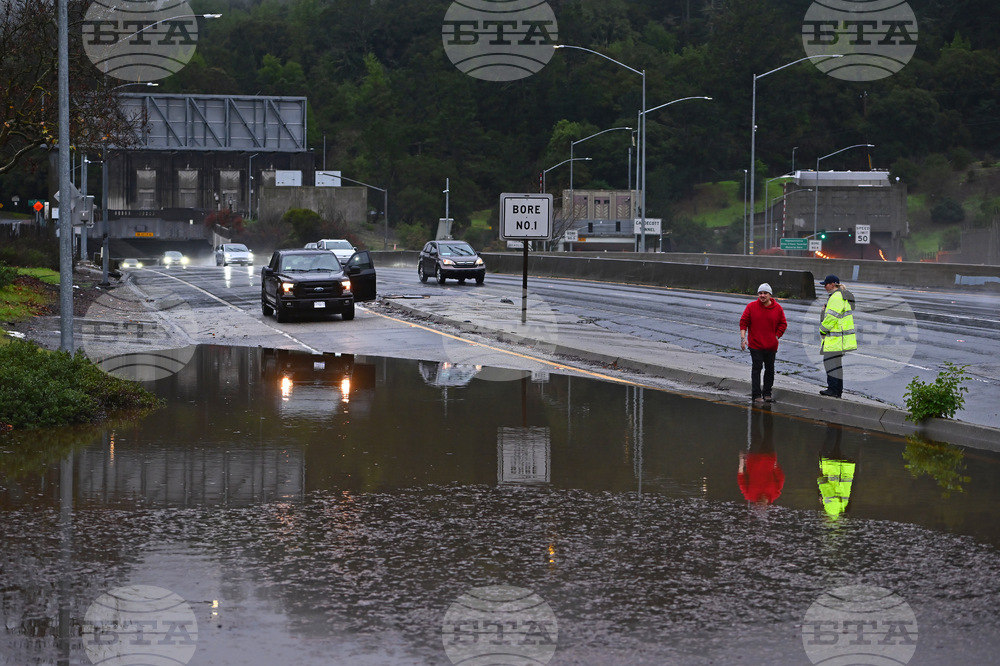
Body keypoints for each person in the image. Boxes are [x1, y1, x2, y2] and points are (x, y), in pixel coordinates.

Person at [739, 282, 787, 404]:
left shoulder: (778, 308)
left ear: (770, 295)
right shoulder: (751, 306)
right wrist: (743, 338)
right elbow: (743, 322)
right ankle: (756, 394)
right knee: (757, 368)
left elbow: (783, 324)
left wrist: (776, 336)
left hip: (771, 345)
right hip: (755, 345)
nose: (762, 295)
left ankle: (767, 393)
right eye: (760, 293)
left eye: (765, 293)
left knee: (770, 370)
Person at [819, 275, 857, 398]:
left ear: (832, 284)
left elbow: (831, 317)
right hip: (839, 339)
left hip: (834, 339)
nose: (824, 286)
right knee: (836, 365)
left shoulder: (836, 297)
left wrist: (822, 330)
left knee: (830, 364)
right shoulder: (842, 295)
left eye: (826, 284)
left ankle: (833, 390)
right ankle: (837, 391)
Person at [738, 409, 784, 505]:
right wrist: (775, 465)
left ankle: (756, 410)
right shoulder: (774, 495)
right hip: (769, 457)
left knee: (755, 432)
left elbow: (741, 479)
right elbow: (780, 478)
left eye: (759, 504)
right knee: (769, 432)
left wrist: (741, 463)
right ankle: (767, 411)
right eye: (762, 504)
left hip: (754, 457)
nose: (761, 502)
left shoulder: (749, 495)